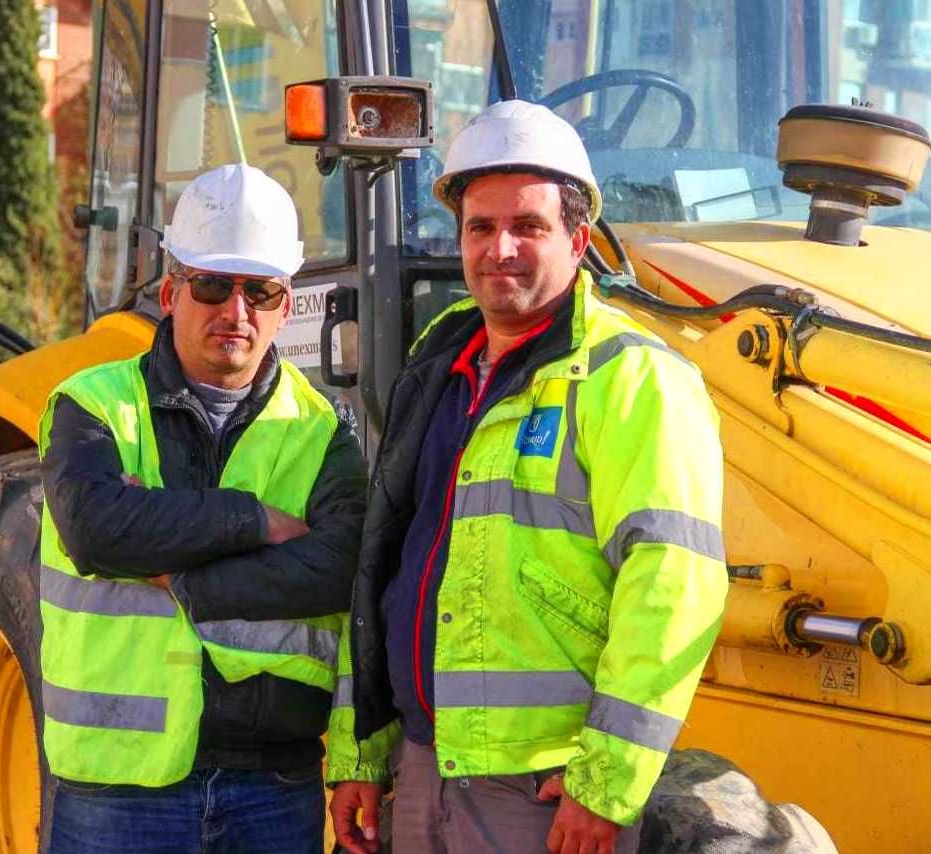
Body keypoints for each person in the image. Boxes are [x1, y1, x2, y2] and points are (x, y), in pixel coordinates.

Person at [327, 100, 728, 854]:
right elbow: (385, 569)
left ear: (577, 241)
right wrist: (362, 753)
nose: (499, 248)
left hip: (544, 791)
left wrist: (606, 783)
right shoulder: (438, 369)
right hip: (422, 768)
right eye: (480, 227)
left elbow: (674, 585)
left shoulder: (632, 380)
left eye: (528, 227)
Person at [38, 164, 366, 853]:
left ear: (286, 305)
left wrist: (178, 572)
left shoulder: (322, 430)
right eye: (214, 286)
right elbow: (95, 530)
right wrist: (256, 521)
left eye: (260, 291)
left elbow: (341, 565)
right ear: (171, 293)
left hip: (271, 783)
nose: (236, 312)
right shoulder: (94, 404)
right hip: (118, 787)